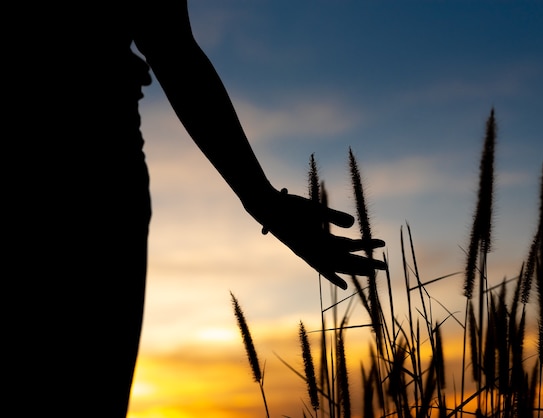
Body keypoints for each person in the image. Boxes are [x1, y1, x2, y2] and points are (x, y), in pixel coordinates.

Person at [7, 1, 385, 416]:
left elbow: (172, 49)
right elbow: (173, 50)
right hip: (106, 164)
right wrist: (264, 203)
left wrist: (265, 203)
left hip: (109, 164)